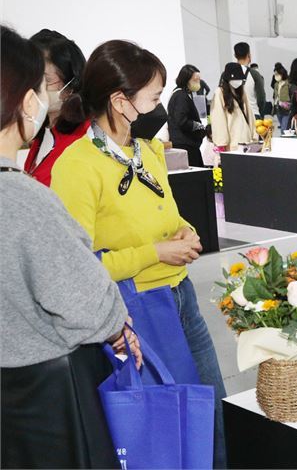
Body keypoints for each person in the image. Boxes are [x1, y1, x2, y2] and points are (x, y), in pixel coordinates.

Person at [50, 39, 227, 468]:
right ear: (120, 101)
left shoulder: (147, 151)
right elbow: (80, 268)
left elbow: (167, 214)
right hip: (135, 314)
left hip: (181, 297)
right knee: (169, 430)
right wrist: (155, 253)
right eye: (153, 96)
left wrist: (183, 233)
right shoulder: (76, 167)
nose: (158, 106)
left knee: (212, 412)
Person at [0, 25, 141, 469]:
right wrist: (118, 322)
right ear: (26, 101)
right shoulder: (21, 198)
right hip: (48, 396)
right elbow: (84, 304)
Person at [23, 30, 88, 186]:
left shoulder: (85, 140)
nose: (32, 86)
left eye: (44, 79)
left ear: (71, 84)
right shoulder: (42, 134)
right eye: (28, 76)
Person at [209, 62, 258, 151]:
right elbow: (218, 118)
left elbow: (250, 115)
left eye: (240, 79)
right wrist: (221, 142)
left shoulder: (241, 92)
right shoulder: (220, 93)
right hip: (232, 142)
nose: (238, 81)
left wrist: (254, 135)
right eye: (236, 78)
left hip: (246, 140)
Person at [167, 64, 207, 167]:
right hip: (185, 145)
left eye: (199, 80)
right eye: (195, 80)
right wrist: (198, 126)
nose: (198, 83)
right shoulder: (181, 96)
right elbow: (181, 120)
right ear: (186, 79)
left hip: (186, 144)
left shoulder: (181, 94)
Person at [233, 41, 262, 120]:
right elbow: (261, 98)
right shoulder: (255, 74)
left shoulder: (226, 74)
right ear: (249, 54)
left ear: (235, 55)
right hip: (253, 114)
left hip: (234, 116)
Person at [273, 62, 291, 130]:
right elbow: (275, 96)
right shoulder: (276, 84)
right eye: (275, 74)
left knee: (284, 129)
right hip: (278, 108)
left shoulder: (288, 83)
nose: (275, 76)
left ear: (282, 74)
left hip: (286, 108)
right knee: (282, 128)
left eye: (277, 74)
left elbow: (291, 95)